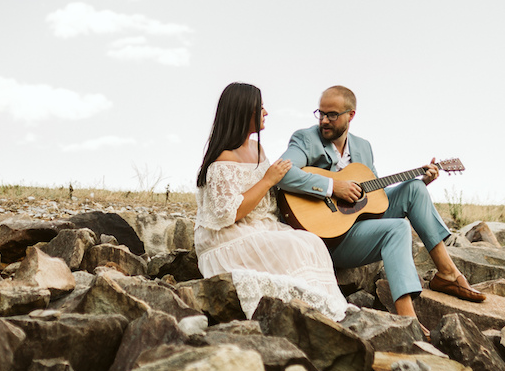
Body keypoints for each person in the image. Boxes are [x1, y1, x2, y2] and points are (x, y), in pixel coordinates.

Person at [276, 85, 485, 329]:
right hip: (327, 238)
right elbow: (283, 173)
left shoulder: (363, 147)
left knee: (414, 189)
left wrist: (424, 181)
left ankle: (447, 274)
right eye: (320, 113)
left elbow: (375, 198)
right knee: (397, 228)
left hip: (357, 226)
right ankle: (408, 320)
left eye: (332, 114)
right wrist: (334, 186)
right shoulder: (306, 139)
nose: (324, 120)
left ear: (350, 115)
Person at [194, 82, 349, 320]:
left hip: (260, 225)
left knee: (311, 241)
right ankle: (301, 311)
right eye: (261, 107)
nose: (266, 112)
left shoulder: (258, 148)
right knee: (291, 246)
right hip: (228, 234)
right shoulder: (223, 158)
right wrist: (267, 180)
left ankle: (324, 309)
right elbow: (228, 214)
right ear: (244, 111)